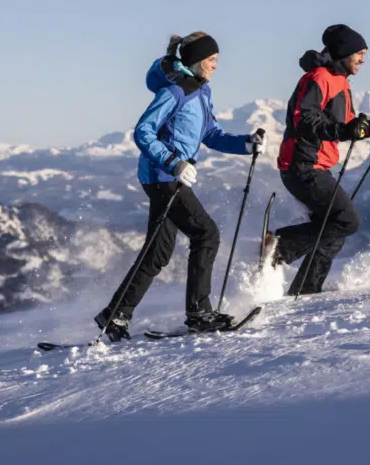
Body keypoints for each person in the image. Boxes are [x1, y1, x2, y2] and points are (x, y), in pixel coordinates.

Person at [95, 31, 266, 341]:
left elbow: (211, 134)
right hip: (163, 177)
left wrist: (246, 144)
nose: (216, 65)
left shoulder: (201, 91)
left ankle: (116, 314)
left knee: (158, 252)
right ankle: (199, 313)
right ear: (196, 60)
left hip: (170, 177)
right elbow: (143, 132)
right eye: (212, 60)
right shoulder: (174, 91)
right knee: (206, 233)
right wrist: (173, 162)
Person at [264, 24, 370, 295]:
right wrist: (341, 131)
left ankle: (305, 289)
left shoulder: (339, 81)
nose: (363, 59)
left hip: (315, 164)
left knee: (333, 230)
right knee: (345, 220)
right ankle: (278, 248)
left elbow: (349, 125)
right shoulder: (319, 77)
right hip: (302, 164)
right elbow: (303, 118)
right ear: (345, 52)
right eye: (360, 53)